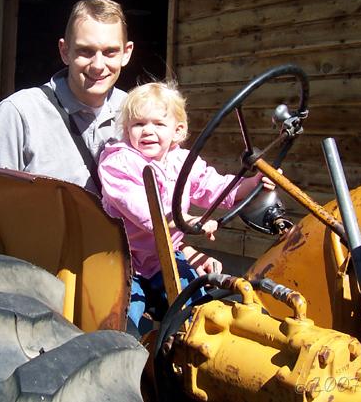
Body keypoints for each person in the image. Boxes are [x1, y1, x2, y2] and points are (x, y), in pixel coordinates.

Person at [98, 82, 275, 334]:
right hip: (122, 260)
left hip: (164, 257)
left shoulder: (182, 161)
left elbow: (215, 188)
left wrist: (252, 183)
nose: (148, 131)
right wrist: (192, 222)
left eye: (159, 124)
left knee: (199, 307)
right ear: (127, 130)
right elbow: (146, 213)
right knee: (123, 324)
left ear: (178, 130)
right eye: (139, 124)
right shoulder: (118, 164)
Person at [0, 0, 134, 195]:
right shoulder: (20, 111)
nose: (98, 65)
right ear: (65, 51)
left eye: (110, 52)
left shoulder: (137, 113)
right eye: (85, 51)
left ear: (126, 53)